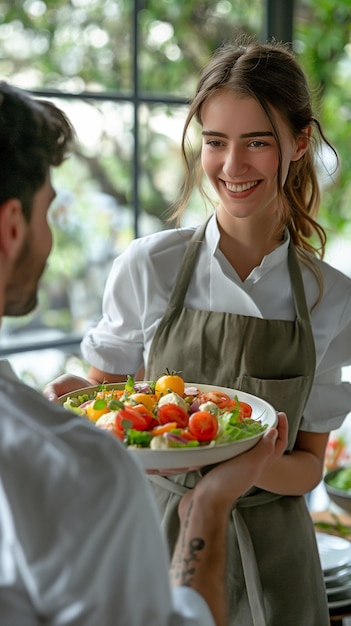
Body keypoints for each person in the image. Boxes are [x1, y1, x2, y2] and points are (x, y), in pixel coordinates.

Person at [44, 36, 351, 625]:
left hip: (278, 556)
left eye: (257, 143)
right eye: (215, 142)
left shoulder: (330, 297)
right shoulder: (149, 266)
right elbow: (109, 421)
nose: (232, 168)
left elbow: (309, 465)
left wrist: (244, 468)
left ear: (299, 142)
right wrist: (69, 410)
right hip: (156, 542)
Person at [0, 80, 291, 626]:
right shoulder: (76, 463)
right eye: (47, 211)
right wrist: (207, 506)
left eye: (257, 141)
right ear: (12, 228)